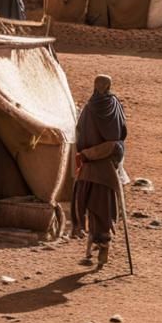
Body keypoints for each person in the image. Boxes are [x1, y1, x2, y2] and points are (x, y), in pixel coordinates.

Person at [71, 75, 128, 269]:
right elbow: (121, 135)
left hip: (89, 166)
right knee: (103, 209)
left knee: (89, 207)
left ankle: (93, 250)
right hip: (107, 168)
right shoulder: (116, 107)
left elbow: (79, 134)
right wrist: (115, 158)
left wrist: (86, 153)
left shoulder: (88, 109)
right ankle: (99, 249)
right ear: (109, 86)